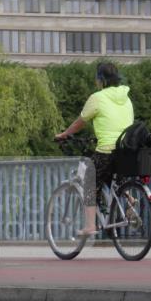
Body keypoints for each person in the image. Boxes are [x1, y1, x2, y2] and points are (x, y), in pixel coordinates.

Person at [55, 61, 134, 236]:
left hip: (107, 149)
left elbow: (80, 122)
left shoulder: (97, 98)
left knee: (90, 181)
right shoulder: (126, 97)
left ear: (102, 80)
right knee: (111, 176)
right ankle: (129, 199)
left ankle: (90, 225)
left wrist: (65, 134)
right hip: (126, 149)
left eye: (97, 79)